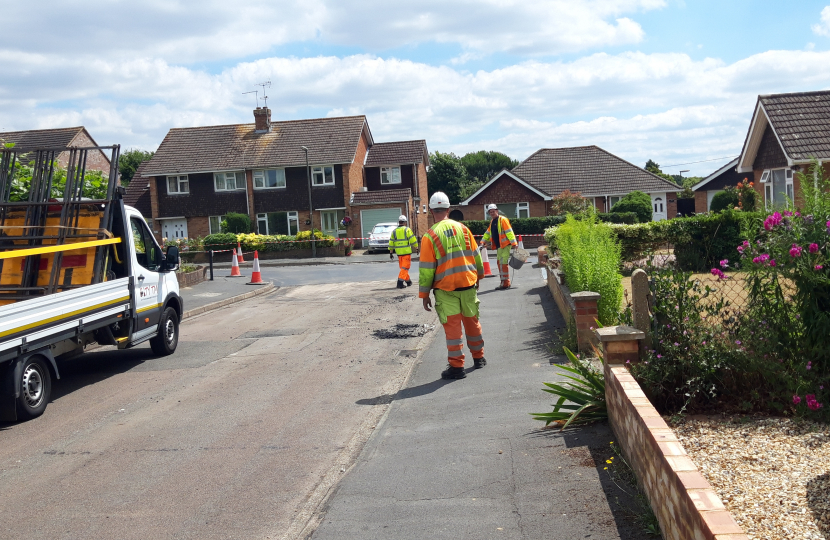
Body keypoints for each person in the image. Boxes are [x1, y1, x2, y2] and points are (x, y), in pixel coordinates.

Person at [419, 192, 486, 380]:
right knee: (472, 322)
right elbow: (476, 256)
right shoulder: (464, 230)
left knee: (453, 329)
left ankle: (457, 368)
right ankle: (479, 358)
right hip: (468, 285)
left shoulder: (430, 236)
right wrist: (478, 277)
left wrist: (424, 294)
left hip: (446, 290)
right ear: (448, 209)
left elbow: (426, 269)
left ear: (431, 211)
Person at [481, 203, 517, 290]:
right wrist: (483, 241)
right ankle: (503, 282)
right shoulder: (492, 222)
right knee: (499, 263)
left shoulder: (503, 220)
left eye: (493, 211)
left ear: (497, 211)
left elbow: (509, 232)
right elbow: (488, 233)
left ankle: (505, 283)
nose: (492, 213)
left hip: (505, 245)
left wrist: (514, 243)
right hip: (500, 246)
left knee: (503, 263)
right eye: (490, 212)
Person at [388, 215, 418, 289]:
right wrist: (417, 248)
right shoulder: (407, 230)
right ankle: (400, 283)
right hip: (406, 252)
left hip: (399, 253)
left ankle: (408, 281)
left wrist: (391, 253)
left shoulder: (394, 231)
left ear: (399, 222)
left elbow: (391, 243)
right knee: (405, 268)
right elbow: (412, 240)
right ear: (405, 222)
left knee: (403, 268)